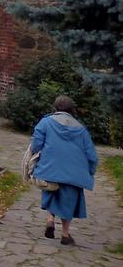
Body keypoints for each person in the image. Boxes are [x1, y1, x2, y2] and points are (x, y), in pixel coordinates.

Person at [30, 95, 99, 246]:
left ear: (55, 108)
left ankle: (50, 220)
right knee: (68, 201)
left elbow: (36, 143)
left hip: (50, 168)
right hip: (73, 173)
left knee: (50, 191)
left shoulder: (46, 122)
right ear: (71, 110)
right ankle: (65, 235)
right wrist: (90, 171)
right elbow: (91, 155)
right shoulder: (81, 129)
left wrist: (37, 155)